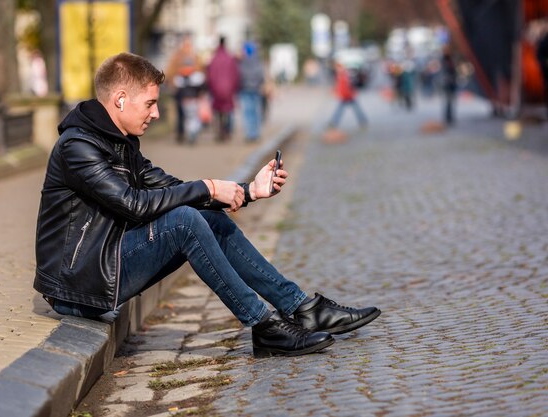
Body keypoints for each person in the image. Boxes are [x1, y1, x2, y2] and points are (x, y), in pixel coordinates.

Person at [33, 52, 381, 357]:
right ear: (121, 99)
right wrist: (207, 187)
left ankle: (302, 308)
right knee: (185, 220)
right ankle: (264, 325)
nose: (155, 114)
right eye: (150, 104)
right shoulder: (77, 147)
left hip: (106, 263)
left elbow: (169, 187)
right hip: (79, 284)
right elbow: (133, 205)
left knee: (204, 218)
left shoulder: (121, 142)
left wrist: (247, 191)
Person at [165, 33, 203, 143]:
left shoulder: (182, 56)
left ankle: (182, 133)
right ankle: (183, 133)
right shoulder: (193, 57)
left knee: (183, 112)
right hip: (183, 90)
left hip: (183, 90)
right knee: (183, 112)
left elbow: (170, 72)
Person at [206, 36, 240, 141]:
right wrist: (234, 88)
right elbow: (235, 75)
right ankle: (227, 132)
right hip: (228, 90)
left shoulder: (214, 58)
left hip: (216, 90)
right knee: (228, 111)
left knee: (218, 112)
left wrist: (212, 88)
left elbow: (210, 75)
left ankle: (220, 132)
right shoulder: (230, 58)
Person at [326, 60, 368, 130]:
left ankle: (363, 121)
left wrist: (341, 93)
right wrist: (335, 91)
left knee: (354, 109)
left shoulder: (344, 74)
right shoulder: (341, 74)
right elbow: (338, 86)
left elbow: (346, 86)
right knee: (343, 110)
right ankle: (334, 122)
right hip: (347, 95)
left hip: (348, 95)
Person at [238, 41, 265, 142]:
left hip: (245, 89)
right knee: (254, 111)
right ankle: (255, 132)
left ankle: (250, 133)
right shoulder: (257, 62)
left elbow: (238, 75)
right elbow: (261, 75)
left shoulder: (242, 62)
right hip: (255, 89)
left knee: (247, 112)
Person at [441, 45, 458, 126]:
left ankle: (450, 116)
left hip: (452, 83)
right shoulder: (444, 60)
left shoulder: (451, 59)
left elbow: (454, 71)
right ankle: (447, 117)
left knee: (451, 101)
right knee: (448, 100)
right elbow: (443, 72)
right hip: (447, 84)